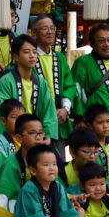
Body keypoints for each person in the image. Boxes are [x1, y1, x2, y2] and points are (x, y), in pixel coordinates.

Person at [0, 35, 58, 140]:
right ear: (16, 57)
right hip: (14, 136)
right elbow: (3, 116)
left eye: (34, 52)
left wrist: (48, 137)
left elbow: (49, 113)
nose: (32, 56)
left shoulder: (41, 82)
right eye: (26, 52)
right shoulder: (6, 82)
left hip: (38, 136)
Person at [71, 23, 109, 134]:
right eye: (101, 41)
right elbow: (75, 89)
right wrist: (78, 118)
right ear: (92, 43)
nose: (107, 44)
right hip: (93, 123)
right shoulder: (83, 62)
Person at [29, 15, 78, 145]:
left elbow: (69, 86)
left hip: (60, 120)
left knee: (58, 163)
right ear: (34, 33)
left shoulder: (60, 58)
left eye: (52, 28)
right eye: (45, 28)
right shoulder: (29, 58)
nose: (50, 32)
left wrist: (65, 109)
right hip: (38, 121)